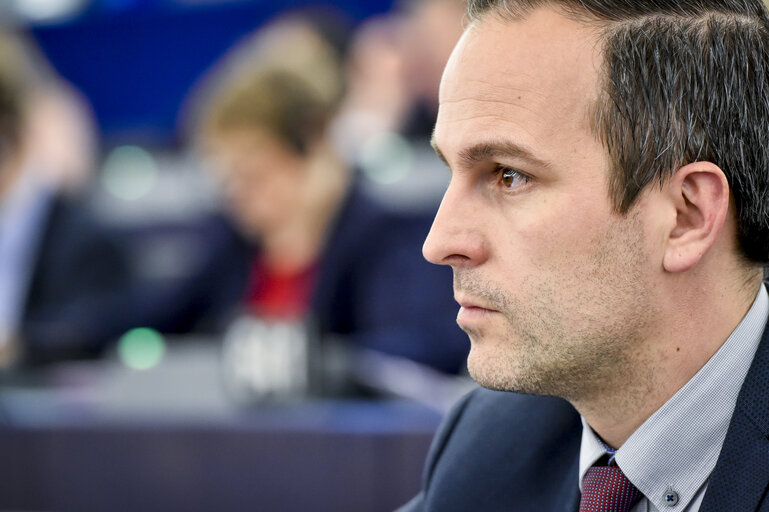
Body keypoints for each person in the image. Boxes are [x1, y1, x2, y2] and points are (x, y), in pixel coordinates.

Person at [399, 0, 769, 510]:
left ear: (685, 216)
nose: (439, 243)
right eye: (452, 173)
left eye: (509, 175)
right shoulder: (490, 445)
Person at [186, 56, 468, 378]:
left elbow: (423, 347)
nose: (237, 195)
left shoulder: (381, 238)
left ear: (313, 147)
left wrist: (320, 365)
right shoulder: (230, 246)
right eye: (226, 181)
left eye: (253, 175)